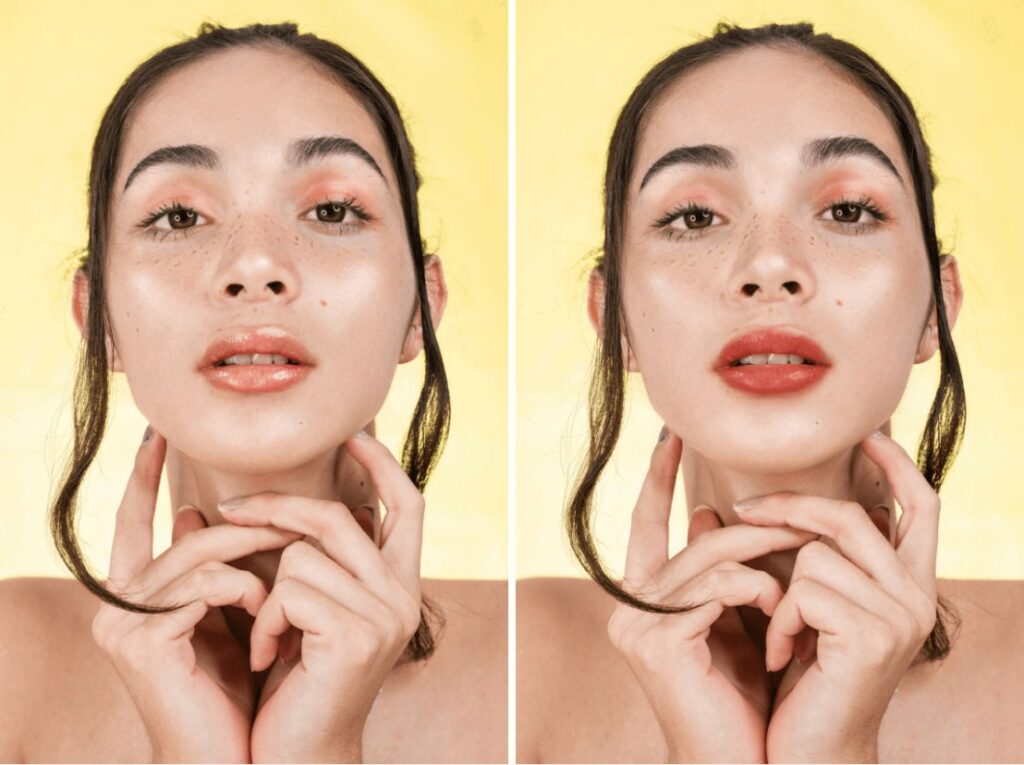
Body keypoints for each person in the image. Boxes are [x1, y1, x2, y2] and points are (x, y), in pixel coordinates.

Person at [0, 22, 505, 763]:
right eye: (178, 216)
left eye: (332, 210)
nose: (256, 264)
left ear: (420, 309)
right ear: (97, 317)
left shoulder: (543, 663)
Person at [518, 22, 1022, 763]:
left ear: (936, 309)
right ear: (613, 317)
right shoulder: (520, 663)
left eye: (848, 211)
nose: (770, 265)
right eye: (695, 216)